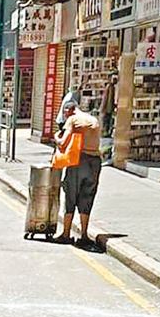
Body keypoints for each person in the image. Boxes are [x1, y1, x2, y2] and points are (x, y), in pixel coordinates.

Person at [54, 100, 102, 249]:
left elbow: (63, 143)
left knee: (71, 195)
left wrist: (56, 137)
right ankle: (84, 235)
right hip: (95, 161)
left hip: (78, 161)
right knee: (87, 197)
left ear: (69, 110)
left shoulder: (73, 120)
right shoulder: (93, 119)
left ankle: (66, 234)